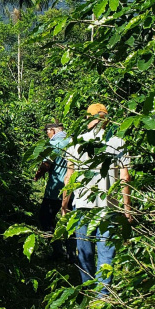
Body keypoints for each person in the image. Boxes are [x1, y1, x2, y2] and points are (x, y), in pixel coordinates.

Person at [61, 103, 131, 296]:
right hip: (108, 207)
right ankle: (103, 298)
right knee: (106, 253)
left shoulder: (75, 144)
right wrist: (127, 207)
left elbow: (69, 178)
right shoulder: (118, 142)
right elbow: (125, 177)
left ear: (87, 119)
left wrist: (64, 205)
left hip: (83, 206)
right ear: (107, 120)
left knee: (84, 253)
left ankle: (87, 294)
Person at [35, 122, 71, 259]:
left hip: (56, 190)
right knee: (69, 220)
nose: (47, 135)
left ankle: (58, 250)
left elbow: (46, 164)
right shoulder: (72, 142)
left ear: (52, 131)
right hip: (73, 189)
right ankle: (72, 254)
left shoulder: (55, 144)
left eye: (47, 132)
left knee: (45, 217)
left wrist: (38, 175)